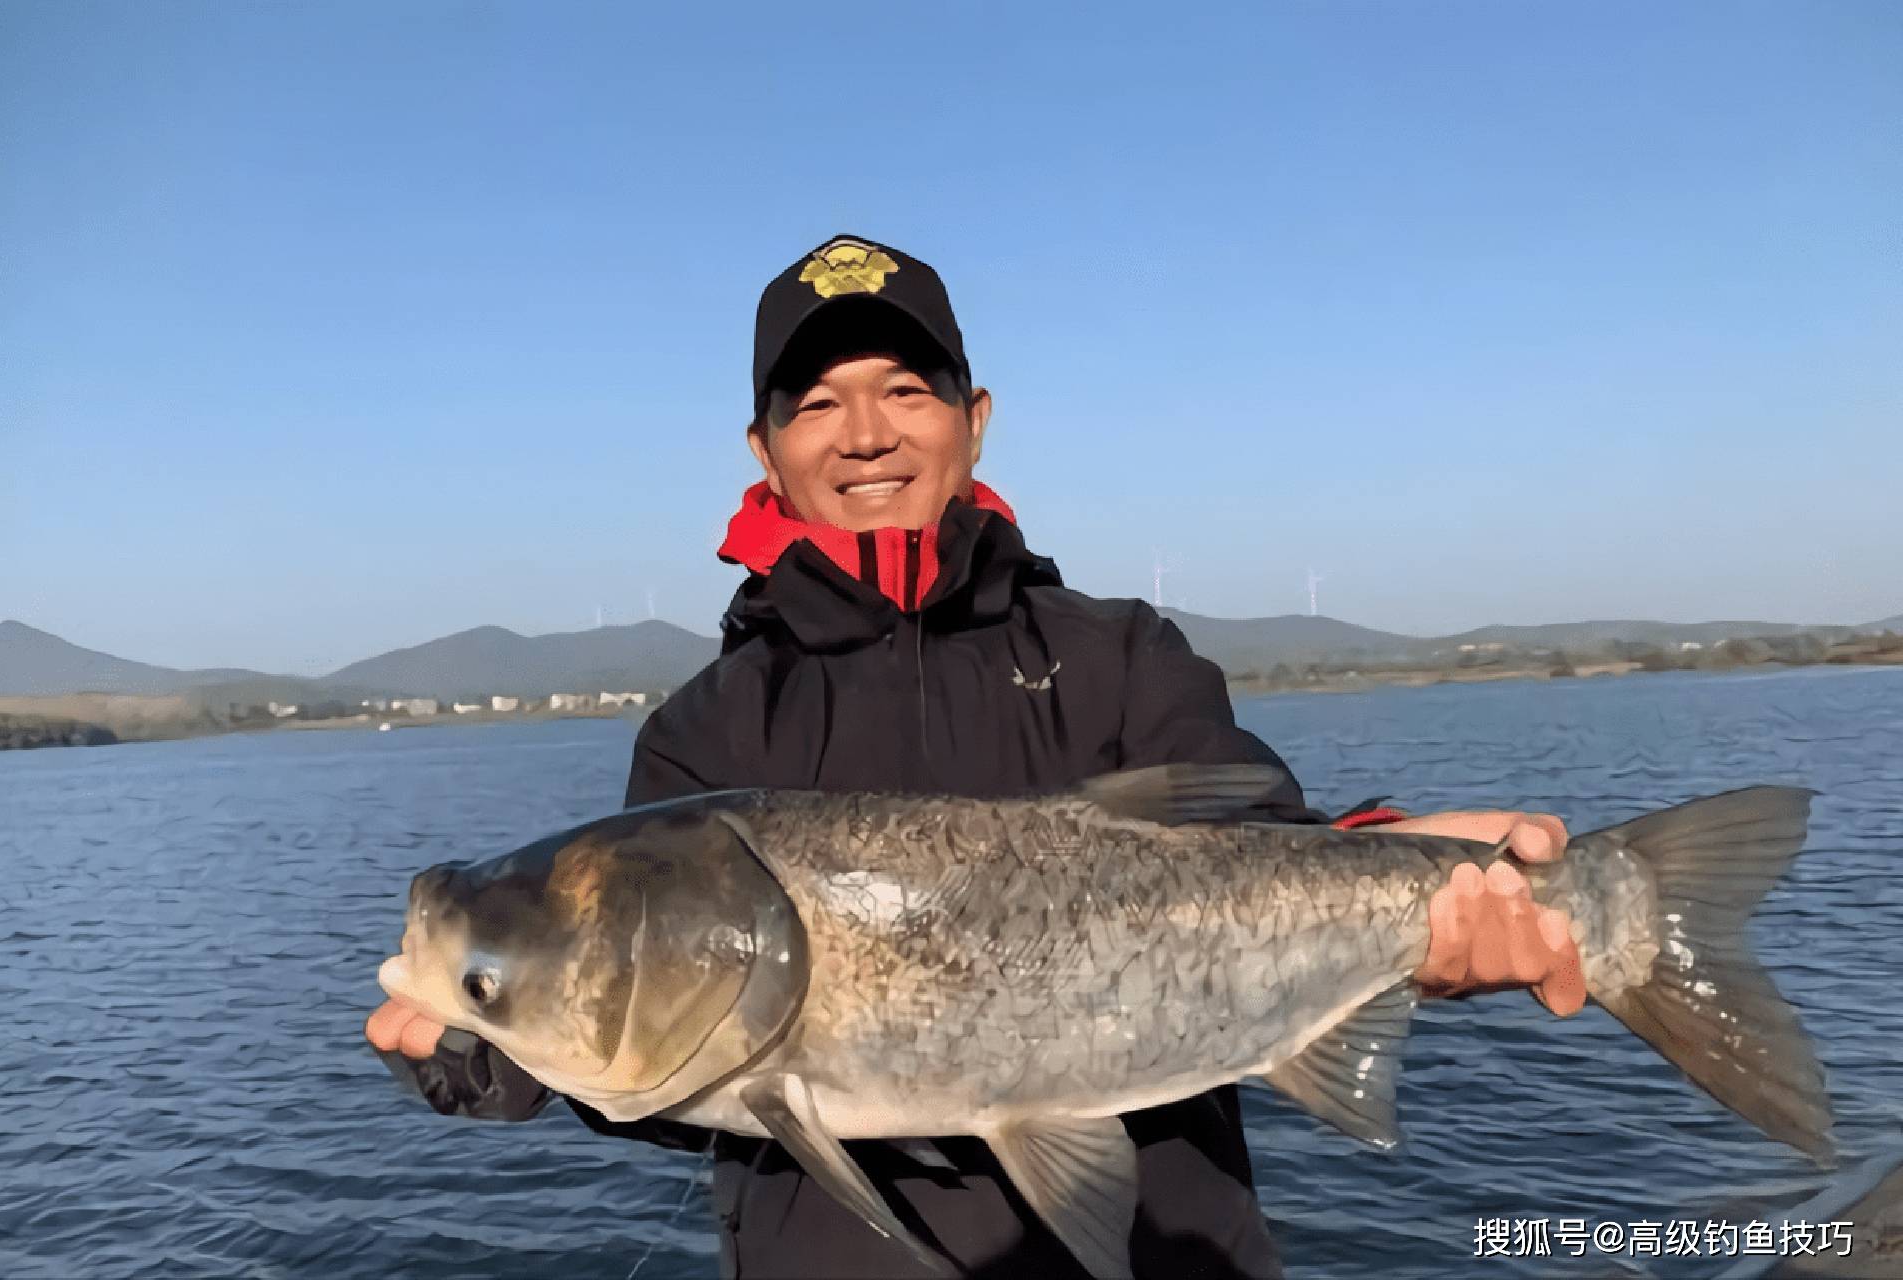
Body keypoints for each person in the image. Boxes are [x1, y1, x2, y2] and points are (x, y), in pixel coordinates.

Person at [366, 234, 1587, 1278]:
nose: (865, 434)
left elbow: (1270, 851)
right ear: (763, 446)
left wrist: (1409, 870)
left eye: (905, 388)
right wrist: (502, 1053)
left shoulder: (1120, 654)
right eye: (816, 403)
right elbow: (678, 1071)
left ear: (975, 418)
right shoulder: (703, 733)